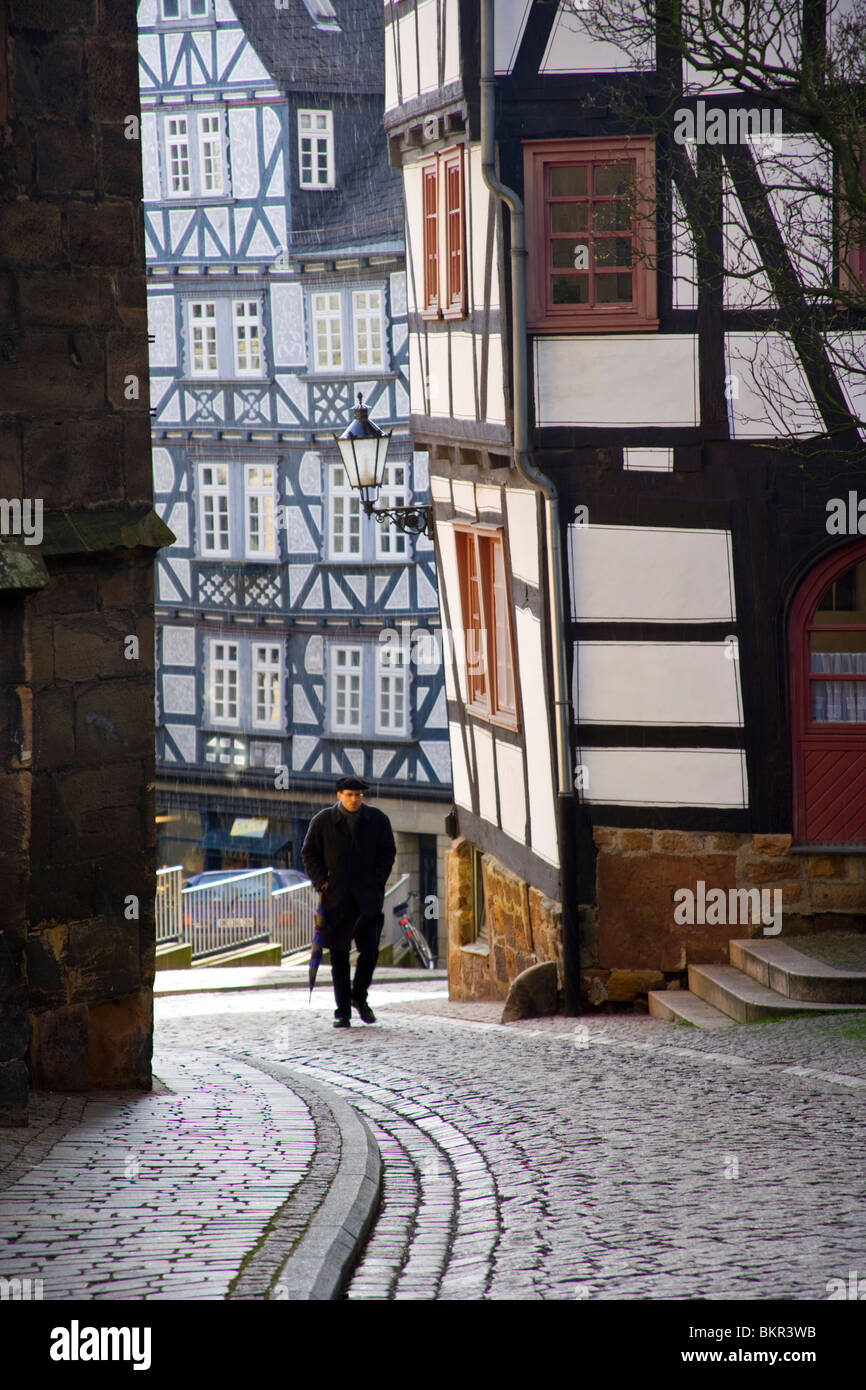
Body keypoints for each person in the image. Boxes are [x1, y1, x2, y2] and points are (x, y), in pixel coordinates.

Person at [301, 776, 396, 1028]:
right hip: (336, 900)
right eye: (350, 795)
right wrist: (322, 881)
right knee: (339, 958)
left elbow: (388, 852)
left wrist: (377, 880)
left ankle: (358, 997)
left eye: (359, 795)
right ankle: (342, 1011)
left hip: (368, 900)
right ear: (339, 796)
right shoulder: (323, 821)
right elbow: (309, 853)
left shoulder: (377, 820)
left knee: (370, 953)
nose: (355, 799)